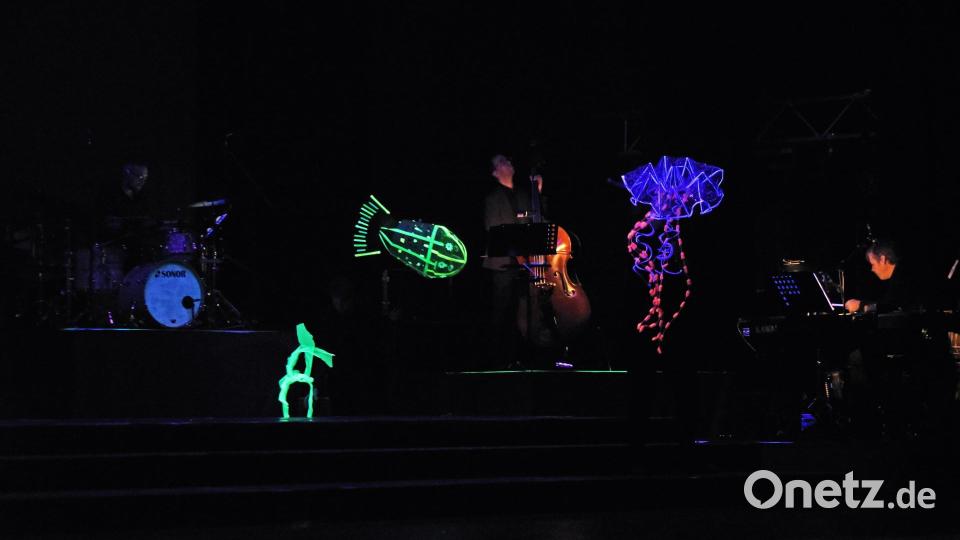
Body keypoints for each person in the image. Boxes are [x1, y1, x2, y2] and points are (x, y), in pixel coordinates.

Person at [482, 154, 544, 370]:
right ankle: (496, 359)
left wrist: (538, 193)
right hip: (503, 265)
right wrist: (519, 254)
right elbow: (495, 229)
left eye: (508, 160)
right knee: (502, 312)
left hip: (524, 264)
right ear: (494, 172)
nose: (509, 162)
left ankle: (522, 355)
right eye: (502, 162)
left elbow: (536, 223)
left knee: (523, 311)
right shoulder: (492, 199)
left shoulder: (523, 194)